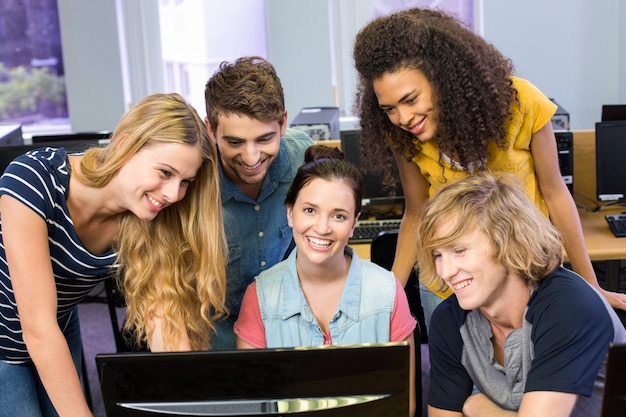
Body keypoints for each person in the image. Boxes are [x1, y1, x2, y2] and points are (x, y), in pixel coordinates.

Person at [352, 7, 626, 330]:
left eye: (411, 99)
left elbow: (556, 193)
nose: (402, 118)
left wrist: (590, 284)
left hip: (524, 279)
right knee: (458, 379)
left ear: (442, 76)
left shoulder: (522, 103)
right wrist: (391, 296)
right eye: (389, 109)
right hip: (450, 287)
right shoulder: (403, 135)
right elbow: (416, 212)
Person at [0, 92, 227, 417]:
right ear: (123, 145)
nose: (173, 194)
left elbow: (165, 320)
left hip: (56, 325)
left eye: (185, 181)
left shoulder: (145, 217)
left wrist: (188, 406)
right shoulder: (34, 181)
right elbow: (36, 327)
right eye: (165, 172)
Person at [417, 172, 626, 417]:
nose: (446, 271)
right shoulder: (450, 319)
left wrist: (478, 408)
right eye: (438, 255)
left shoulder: (567, 306)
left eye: (459, 250)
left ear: (508, 241)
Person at [234, 144, 417, 415]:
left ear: (354, 223)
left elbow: (405, 405)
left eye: (339, 216)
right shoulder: (260, 296)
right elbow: (252, 406)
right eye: (309, 210)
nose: (322, 227)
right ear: (289, 213)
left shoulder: (386, 292)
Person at [204, 56, 315, 350]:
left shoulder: (303, 157)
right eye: (235, 142)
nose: (252, 158)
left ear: (283, 122)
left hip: (288, 321)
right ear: (210, 130)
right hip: (216, 330)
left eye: (265, 139)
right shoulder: (191, 181)